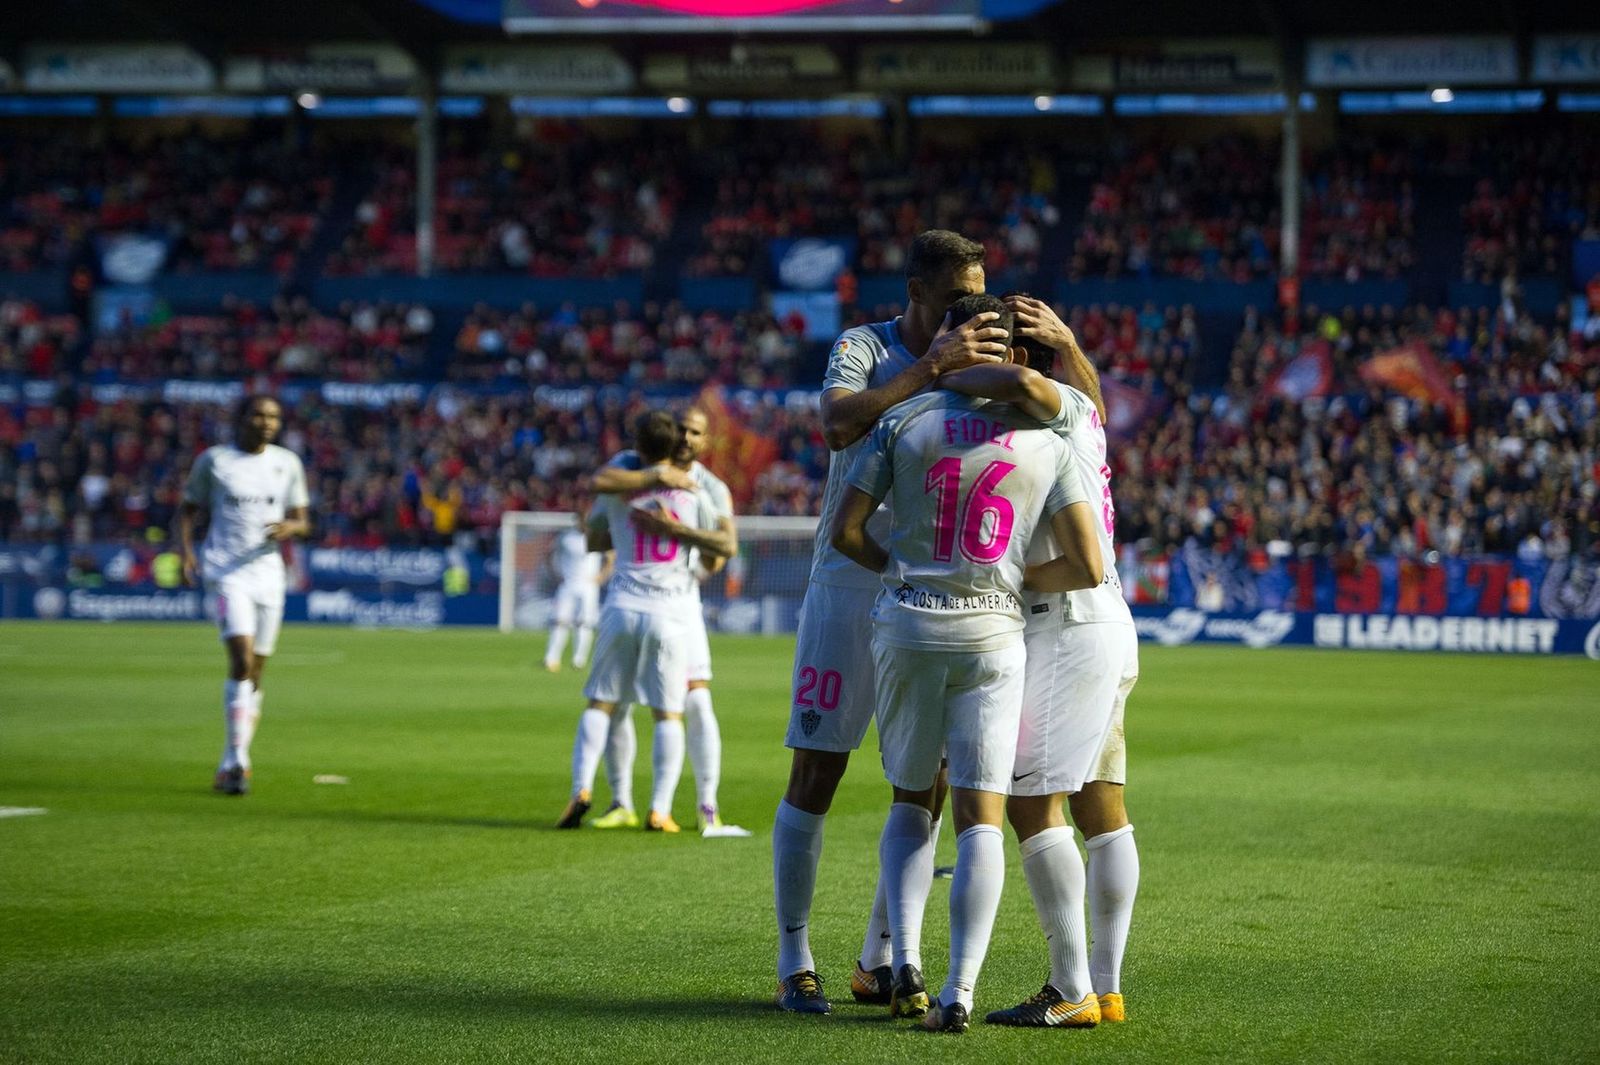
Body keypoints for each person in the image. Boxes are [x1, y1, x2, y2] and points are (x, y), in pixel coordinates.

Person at [830, 297, 1104, 1031]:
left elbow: (845, 531)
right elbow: (1087, 563)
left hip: (908, 625)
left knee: (910, 801)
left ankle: (904, 963)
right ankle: (960, 993)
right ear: (1014, 355)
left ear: (949, 343)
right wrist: (1007, 580)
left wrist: (902, 573)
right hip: (992, 632)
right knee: (982, 817)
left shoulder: (902, 419)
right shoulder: (1048, 435)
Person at [771, 230, 1011, 1014]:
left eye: (978, 292)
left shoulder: (975, 357)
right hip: (847, 582)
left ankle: (880, 956)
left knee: (926, 780)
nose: (970, 310)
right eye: (956, 296)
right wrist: (930, 368)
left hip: (928, 594)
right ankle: (793, 958)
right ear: (916, 291)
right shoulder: (865, 346)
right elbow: (837, 424)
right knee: (818, 767)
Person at [980, 294, 1142, 1028]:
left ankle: (1070, 988)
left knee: (1029, 803)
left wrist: (934, 369)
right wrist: (1072, 344)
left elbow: (1024, 383)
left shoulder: (1042, 409)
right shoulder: (1080, 413)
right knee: (1100, 808)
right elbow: (1090, 397)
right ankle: (1105, 987)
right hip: (1106, 621)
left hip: (1067, 621)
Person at [557, 411, 733, 833]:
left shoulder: (625, 488)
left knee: (606, 702)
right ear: (672, 439)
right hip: (670, 609)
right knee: (667, 712)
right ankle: (650, 807)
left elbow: (594, 533)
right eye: (682, 430)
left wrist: (634, 531)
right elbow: (720, 553)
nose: (687, 438)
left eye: (695, 432)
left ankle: (586, 788)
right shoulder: (694, 494)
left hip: (626, 603)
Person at [177, 395, 310, 796]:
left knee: (256, 673)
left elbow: (303, 520)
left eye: (274, 417)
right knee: (241, 660)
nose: (267, 422)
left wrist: (290, 528)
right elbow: (188, 508)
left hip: (269, 576)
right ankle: (239, 761)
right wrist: (186, 552)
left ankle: (230, 760)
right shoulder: (215, 461)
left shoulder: (287, 463)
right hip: (226, 573)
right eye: (259, 415)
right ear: (243, 419)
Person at [544, 508, 610, 673]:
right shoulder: (566, 537)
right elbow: (549, 554)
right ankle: (551, 659)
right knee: (560, 621)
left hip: (588, 588)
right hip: (567, 585)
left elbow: (611, 558)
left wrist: (602, 576)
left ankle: (579, 660)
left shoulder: (597, 537)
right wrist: (555, 573)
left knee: (584, 624)